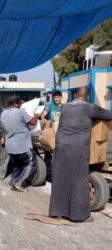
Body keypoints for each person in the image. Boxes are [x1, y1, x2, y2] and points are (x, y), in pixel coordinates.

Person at [49, 87, 112, 222]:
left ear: (75, 95)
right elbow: (108, 115)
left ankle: (57, 211)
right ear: (87, 96)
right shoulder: (90, 108)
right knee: (79, 181)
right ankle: (79, 215)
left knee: (61, 179)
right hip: (78, 148)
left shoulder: (65, 107)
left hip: (60, 146)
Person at [0, 96, 38, 192]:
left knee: (17, 165)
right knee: (32, 163)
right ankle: (18, 183)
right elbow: (33, 122)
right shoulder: (20, 112)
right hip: (22, 145)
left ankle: (13, 181)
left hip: (10, 146)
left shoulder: (3, 114)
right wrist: (36, 115)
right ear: (16, 104)